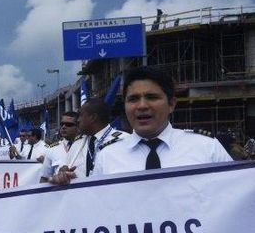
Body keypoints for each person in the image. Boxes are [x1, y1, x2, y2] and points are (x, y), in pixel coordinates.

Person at [51, 67, 232, 183]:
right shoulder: (108, 156)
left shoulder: (207, 149)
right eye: (133, 99)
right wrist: (69, 187)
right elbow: (97, 209)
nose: (142, 105)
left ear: (171, 104)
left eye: (152, 97)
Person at [58, 97, 126, 179]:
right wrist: (63, 174)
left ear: (93, 117)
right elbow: (67, 170)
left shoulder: (123, 140)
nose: (77, 120)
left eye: (80, 115)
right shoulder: (77, 144)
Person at [40, 111, 79, 182]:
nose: (64, 127)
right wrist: (54, 179)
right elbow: (44, 178)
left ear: (78, 126)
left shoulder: (86, 146)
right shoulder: (52, 149)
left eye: (68, 124)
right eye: (62, 124)